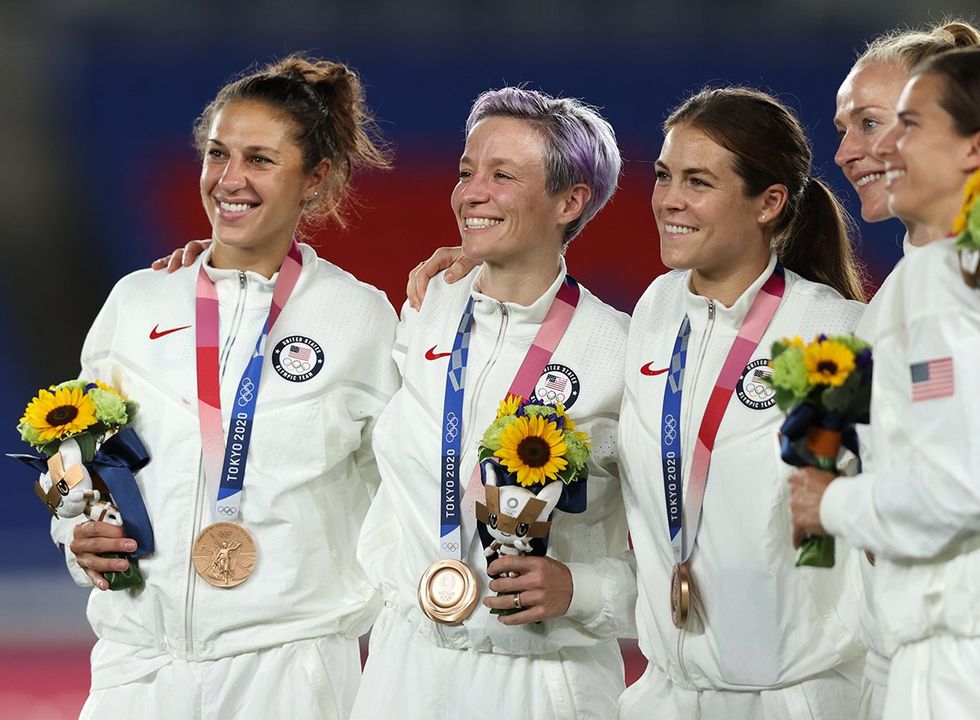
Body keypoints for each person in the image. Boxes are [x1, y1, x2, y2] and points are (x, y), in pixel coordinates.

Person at [408, 87, 870, 718]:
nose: (670, 200)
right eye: (663, 176)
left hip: (797, 696)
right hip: (666, 695)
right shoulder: (656, 313)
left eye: (699, 182)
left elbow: (900, 515)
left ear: (769, 203)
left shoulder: (833, 335)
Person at [56, 55, 399, 720]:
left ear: (315, 179)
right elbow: (77, 451)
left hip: (290, 674)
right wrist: (75, 529)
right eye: (218, 154)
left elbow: (406, 492)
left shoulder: (359, 319)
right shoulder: (139, 300)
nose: (230, 180)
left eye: (260, 160)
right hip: (137, 668)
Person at [352, 87, 635, 720]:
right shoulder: (427, 308)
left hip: (543, 682)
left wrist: (583, 589)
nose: (469, 193)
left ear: (570, 201)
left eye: (501, 175)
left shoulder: (617, 352)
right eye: (465, 171)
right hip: (404, 670)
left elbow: (692, 549)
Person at [790, 46, 980, 720]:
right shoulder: (914, 287)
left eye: (891, 123)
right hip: (912, 648)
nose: (851, 153)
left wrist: (831, 506)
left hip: (954, 655)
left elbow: (959, 484)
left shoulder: (947, 285)